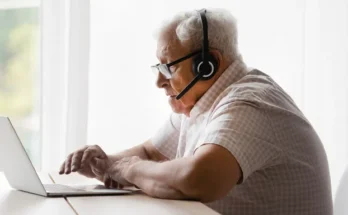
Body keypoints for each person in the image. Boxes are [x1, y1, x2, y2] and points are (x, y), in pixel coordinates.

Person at [59, 8, 333, 214]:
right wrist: (105, 164)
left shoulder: (250, 103)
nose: (159, 81)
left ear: (208, 64)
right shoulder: (201, 102)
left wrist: (129, 169)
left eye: (169, 67)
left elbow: (198, 179)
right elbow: (151, 153)